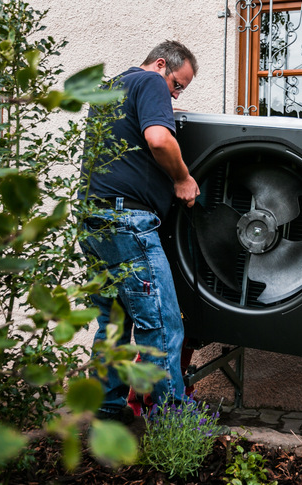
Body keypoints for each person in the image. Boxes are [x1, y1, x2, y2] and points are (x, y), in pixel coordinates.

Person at [78, 40, 200, 424]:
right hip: (127, 223)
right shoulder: (149, 84)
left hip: (94, 222)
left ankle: (109, 409)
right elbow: (158, 138)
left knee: (112, 324)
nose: (175, 93)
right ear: (160, 64)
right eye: (177, 85)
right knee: (161, 322)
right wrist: (182, 178)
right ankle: (172, 420)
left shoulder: (111, 89)